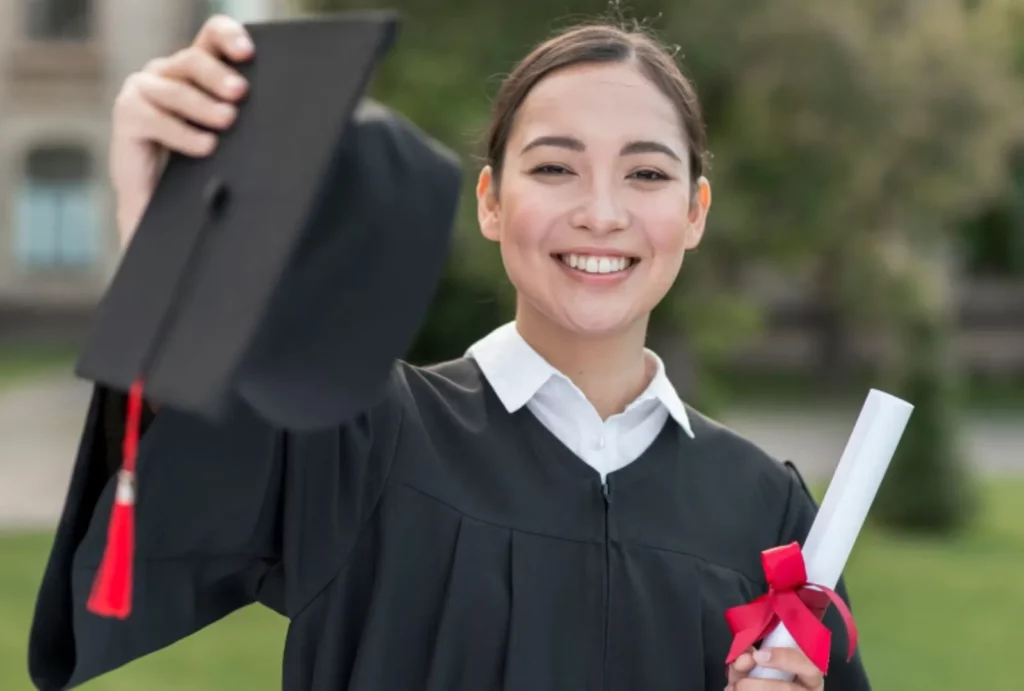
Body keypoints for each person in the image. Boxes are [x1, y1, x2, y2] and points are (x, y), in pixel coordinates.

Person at [27, 13, 870, 691]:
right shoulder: (354, 437)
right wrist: (165, 232)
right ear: (491, 202)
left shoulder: (765, 517)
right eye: (554, 169)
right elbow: (167, 502)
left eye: (647, 175)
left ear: (695, 212)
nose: (602, 212)